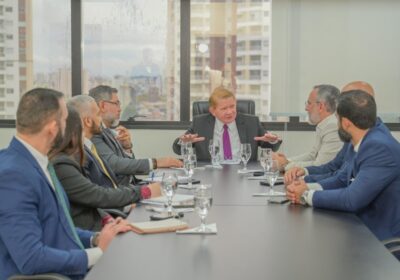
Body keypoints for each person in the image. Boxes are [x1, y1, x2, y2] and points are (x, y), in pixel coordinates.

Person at [0, 88, 131, 279]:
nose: (71, 125)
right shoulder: (13, 175)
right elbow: (31, 259)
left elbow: (57, 226)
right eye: (65, 119)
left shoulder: (38, 162)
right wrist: (96, 254)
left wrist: (97, 238)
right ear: (53, 127)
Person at [286, 90, 400, 240]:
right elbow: (342, 178)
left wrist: (306, 195)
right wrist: (305, 186)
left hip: (378, 239)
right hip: (357, 225)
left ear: (346, 123)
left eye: (337, 119)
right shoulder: (363, 137)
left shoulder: (378, 147)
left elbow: (352, 199)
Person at [49, 102, 160, 231]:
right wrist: (144, 192)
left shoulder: (85, 149)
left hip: (109, 216)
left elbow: (91, 197)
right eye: (98, 115)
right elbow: (96, 195)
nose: (101, 120)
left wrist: (109, 218)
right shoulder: (64, 162)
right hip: (95, 229)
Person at [284, 81, 390, 184]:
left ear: (363, 102)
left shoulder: (378, 144)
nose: (338, 107)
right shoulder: (353, 134)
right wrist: (304, 175)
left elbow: (352, 194)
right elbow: (336, 171)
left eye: (344, 100)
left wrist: (308, 194)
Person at [89, 85, 182, 185]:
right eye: (116, 104)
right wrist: (156, 162)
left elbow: (128, 169)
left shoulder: (108, 131)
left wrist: (127, 147)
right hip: (121, 193)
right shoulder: (94, 133)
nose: (120, 109)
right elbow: (115, 165)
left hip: (133, 185)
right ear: (103, 105)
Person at [172, 86, 282, 161]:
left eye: (232, 106)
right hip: (210, 174)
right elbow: (177, 150)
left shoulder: (251, 122)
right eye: (224, 108)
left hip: (243, 173)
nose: (230, 112)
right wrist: (183, 142)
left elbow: (270, 146)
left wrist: (272, 140)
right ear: (213, 111)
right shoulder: (200, 123)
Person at [273, 84, 342, 170]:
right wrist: (287, 161)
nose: (306, 108)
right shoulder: (325, 125)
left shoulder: (333, 127)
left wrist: (284, 165)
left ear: (320, 106)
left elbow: (320, 165)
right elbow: (312, 155)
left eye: (309, 103)